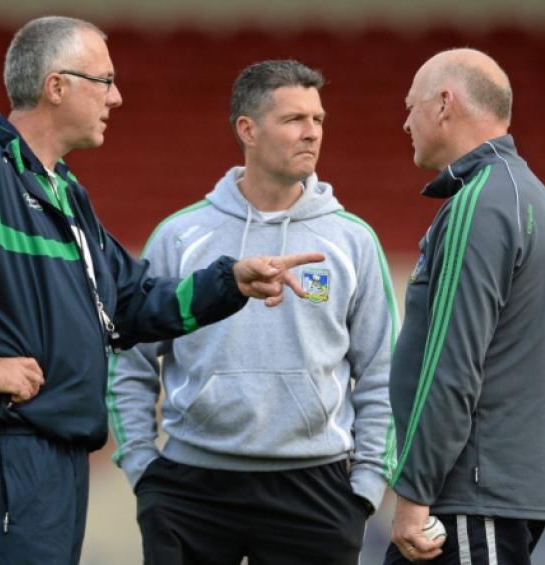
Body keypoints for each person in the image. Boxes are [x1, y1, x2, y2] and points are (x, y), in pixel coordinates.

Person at [0, 18, 324, 565]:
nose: (117, 97)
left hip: (58, 447)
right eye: (104, 81)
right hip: (3, 446)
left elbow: (125, 305)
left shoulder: (65, 190)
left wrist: (230, 283)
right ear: (57, 87)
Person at [107, 59, 398, 565]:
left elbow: (382, 373)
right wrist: (141, 465)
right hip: (189, 489)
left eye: (319, 119)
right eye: (294, 120)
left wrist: (366, 485)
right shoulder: (180, 236)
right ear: (248, 129)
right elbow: (129, 355)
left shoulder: (352, 240)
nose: (312, 133)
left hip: (315, 490)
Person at [385, 48, 545, 564]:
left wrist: (414, 494)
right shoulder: (539, 201)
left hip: (463, 501)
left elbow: (450, 362)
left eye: (411, 105)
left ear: (444, 103)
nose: (404, 122)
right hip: (497, 500)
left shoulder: (476, 204)